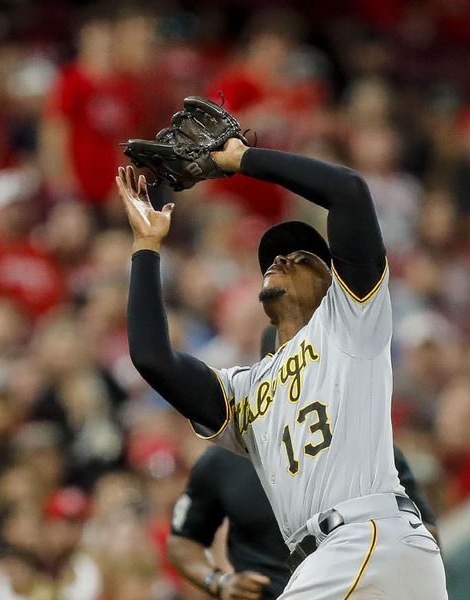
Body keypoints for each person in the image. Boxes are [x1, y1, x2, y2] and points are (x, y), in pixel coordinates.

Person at [119, 134, 447, 598]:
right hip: (346, 558)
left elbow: (348, 190)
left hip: (364, 540)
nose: (282, 257)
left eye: (303, 257)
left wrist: (242, 160)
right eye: (275, 256)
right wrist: (146, 245)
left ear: (334, 281)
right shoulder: (245, 388)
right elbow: (152, 358)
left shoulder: (351, 321)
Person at [166, 328, 439, 600]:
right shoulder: (221, 462)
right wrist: (219, 581)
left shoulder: (364, 438)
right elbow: (182, 539)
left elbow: (426, 531)